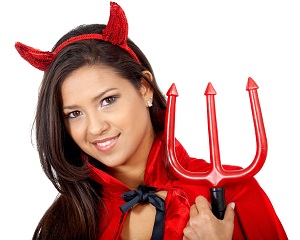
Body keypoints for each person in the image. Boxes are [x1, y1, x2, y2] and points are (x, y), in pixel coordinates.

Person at [15, 2, 288, 240]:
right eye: (74, 113)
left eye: (108, 100)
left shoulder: (232, 192)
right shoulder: (67, 220)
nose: (96, 128)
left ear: (144, 88)